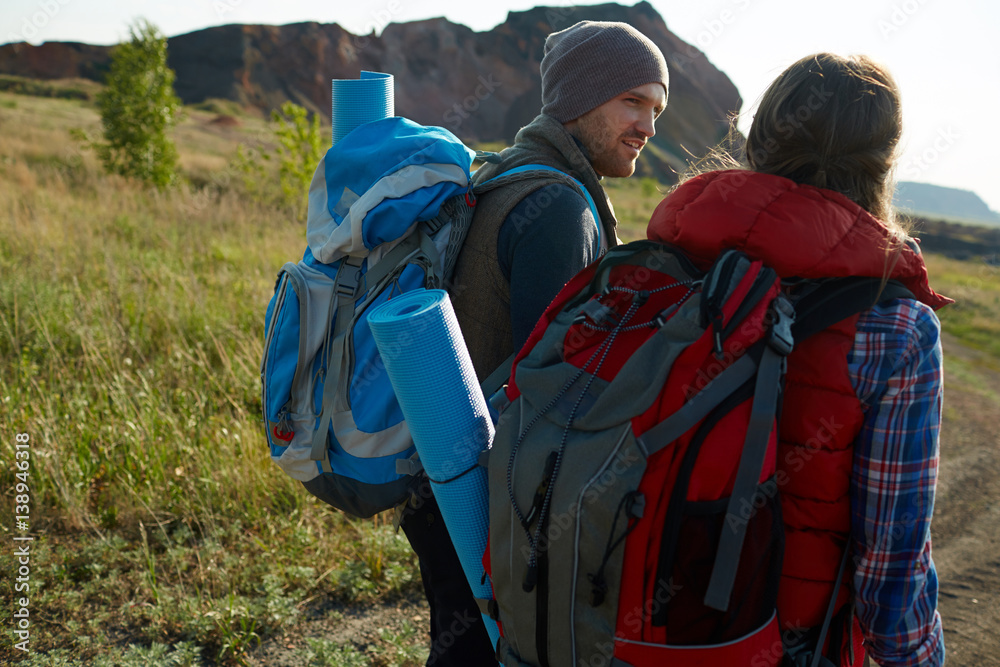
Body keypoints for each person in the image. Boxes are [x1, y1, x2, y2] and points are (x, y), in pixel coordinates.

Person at [645, 53, 949, 666]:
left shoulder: (663, 261)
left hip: (624, 620)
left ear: (757, 137)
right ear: (883, 164)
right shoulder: (897, 327)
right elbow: (891, 563)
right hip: (777, 643)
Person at [397, 20, 669, 666]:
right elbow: (555, 402)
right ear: (580, 97)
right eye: (633, 101)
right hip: (492, 504)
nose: (648, 126)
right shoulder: (558, 207)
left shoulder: (508, 173)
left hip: (444, 475)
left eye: (656, 109)